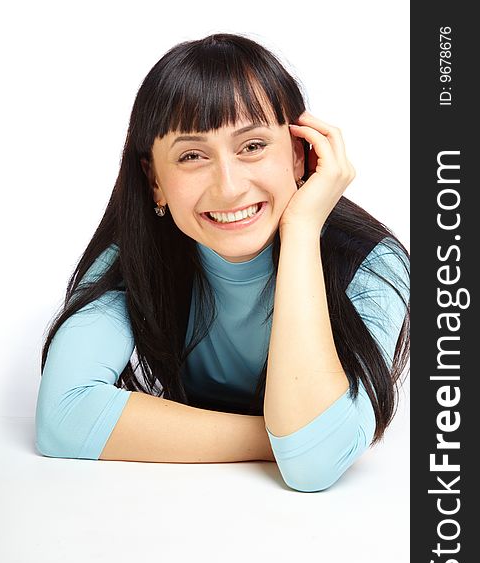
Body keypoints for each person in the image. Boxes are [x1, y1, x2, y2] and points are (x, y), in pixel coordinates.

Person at [35, 32, 410, 492]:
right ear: (154, 181)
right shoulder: (135, 257)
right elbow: (63, 415)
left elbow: (311, 469)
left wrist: (303, 229)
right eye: (192, 156)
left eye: (252, 146)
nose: (229, 187)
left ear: (299, 154)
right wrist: (286, 437)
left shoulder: (372, 265)